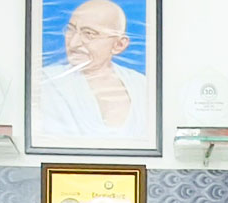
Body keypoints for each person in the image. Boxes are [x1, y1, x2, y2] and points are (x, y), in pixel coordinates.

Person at [38, 0, 147, 137]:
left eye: (89, 34)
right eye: (70, 30)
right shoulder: (46, 83)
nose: (73, 43)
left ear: (119, 45)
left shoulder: (142, 87)